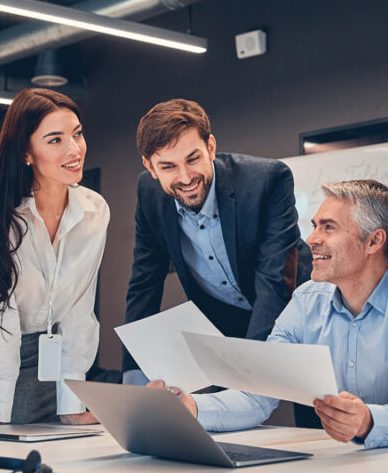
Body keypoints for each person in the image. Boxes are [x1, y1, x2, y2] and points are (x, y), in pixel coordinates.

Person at [150, 179, 388, 448]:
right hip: (354, 462)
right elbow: (258, 393)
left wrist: (367, 422)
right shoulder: (306, 302)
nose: (312, 239)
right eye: (315, 226)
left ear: (374, 240)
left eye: (328, 228)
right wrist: (190, 408)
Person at [0, 88, 107, 426]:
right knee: (1, 448)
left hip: (45, 356)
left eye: (77, 134)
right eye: (55, 140)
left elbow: (80, 310)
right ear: (26, 153)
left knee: (57, 450)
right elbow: (0, 313)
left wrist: (72, 403)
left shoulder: (94, 210)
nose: (74, 149)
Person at [122, 99, 307, 385]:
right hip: (223, 321)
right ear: (150, 166)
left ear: (210, 147)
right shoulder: (148, 192)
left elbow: (275, 280)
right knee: (226, 418)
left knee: (316, 409)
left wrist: (250, 370)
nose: (185, 177)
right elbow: (144, 284)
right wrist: (134, 373)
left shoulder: (267, 180)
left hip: (296, 311)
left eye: (193, 159)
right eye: (168, 166)